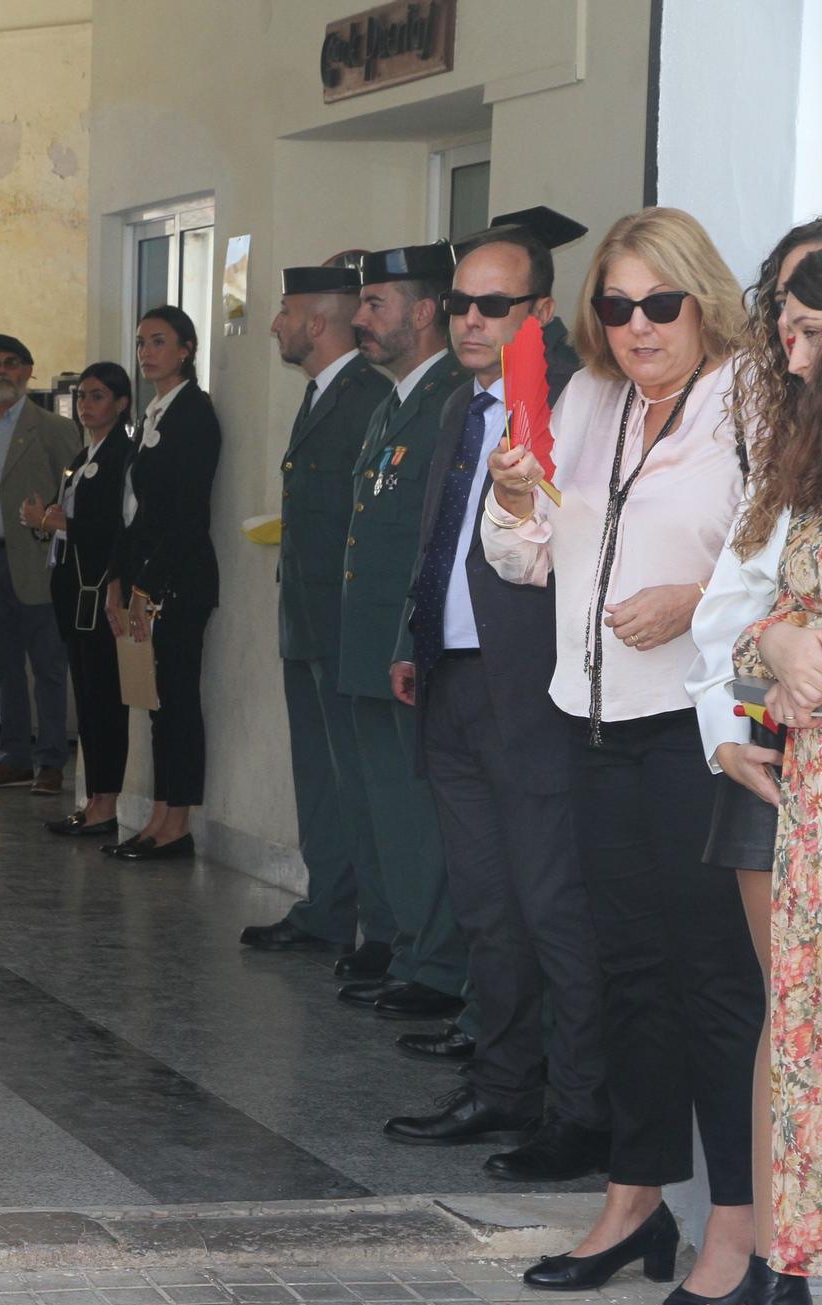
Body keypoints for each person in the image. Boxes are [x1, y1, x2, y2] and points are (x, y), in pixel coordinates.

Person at [482, 207, 763, 1305]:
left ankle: (734, 1227)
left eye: (658, 303)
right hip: (593, 725)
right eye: (614, 305)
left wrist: (694, 602)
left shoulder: (749, 399)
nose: (636, 325)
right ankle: (634, 1197)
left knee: (714, 986)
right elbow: (523, 557)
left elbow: (785, 561)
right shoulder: (587, 399)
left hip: (700, 735)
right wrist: (512, 501)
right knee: (623, 978)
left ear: (700, 299)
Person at [381, 214, 609, 1184]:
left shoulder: (576, 404)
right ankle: (501, 1087)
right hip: (454, 685)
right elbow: (437, 536)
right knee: (484, 907)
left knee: (551, 908)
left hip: (537, 696)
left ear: (540, 310)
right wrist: (414, 638)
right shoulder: (460, 402)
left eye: (492, 305)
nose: (469, 320)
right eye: (459, 303)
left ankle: (580, 1113)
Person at [696, 239, 822, 1305]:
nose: (790, 345)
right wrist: (765, 658)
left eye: (812, 325)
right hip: (787, 784)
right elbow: (741, 604)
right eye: (781, 319)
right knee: (794, 1026)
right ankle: (781, 1266)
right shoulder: (790, 442)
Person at [241, 259, 394, 970]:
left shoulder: (368, 396)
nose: (274, 323)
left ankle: (380, 928)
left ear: (316, 321)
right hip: (307, 619)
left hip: (345, 626)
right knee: (320, 779)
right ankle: (329, 908)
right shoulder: (321, 395)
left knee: (359, 784)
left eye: (284, 311)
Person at [336, 242, 471, 1021]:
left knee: (419, 815)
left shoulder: (451, 396)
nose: (360, 318)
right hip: (373, 644)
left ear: (423, 313)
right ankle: (401, 941)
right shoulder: (394, 401)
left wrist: (405, 640)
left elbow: (435, 543)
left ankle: (437, 963)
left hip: (411, 646)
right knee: (385, 808)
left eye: (376, 304)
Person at [103, 307, 221, 859]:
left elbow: (185, 515)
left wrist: (148, 586)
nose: (146, 352)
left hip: (180, 583)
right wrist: (117, 583)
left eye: (158, 342)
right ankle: (156, 816)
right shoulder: (151, 415)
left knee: (177, 701)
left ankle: (178, 823)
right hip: (145, 580)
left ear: (187, 349)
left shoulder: (194, 415)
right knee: (154, 703)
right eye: (141, 342)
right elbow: (133, 513)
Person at [0, 334, 82, 795]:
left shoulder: (51, 428)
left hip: (35, 562)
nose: (0, 371)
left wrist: (48, 525)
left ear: (28, 371)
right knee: (1, 665)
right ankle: (13, 758)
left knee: (47, 664)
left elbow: (75, 493)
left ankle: (50, 761)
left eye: (10, 364)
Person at [22, 362, 134, 838]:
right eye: (83, 397)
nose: (87, 406)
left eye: (98, 397)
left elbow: (117, 529)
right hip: (71, 590)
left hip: (100, 593)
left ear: (122, 404)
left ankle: (106, 804)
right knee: (86, 700)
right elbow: (62, 513)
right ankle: (94, 801)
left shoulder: (122, 458)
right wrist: (42, 517)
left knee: (105, 701)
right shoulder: (80, 456)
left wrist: (54, 523)